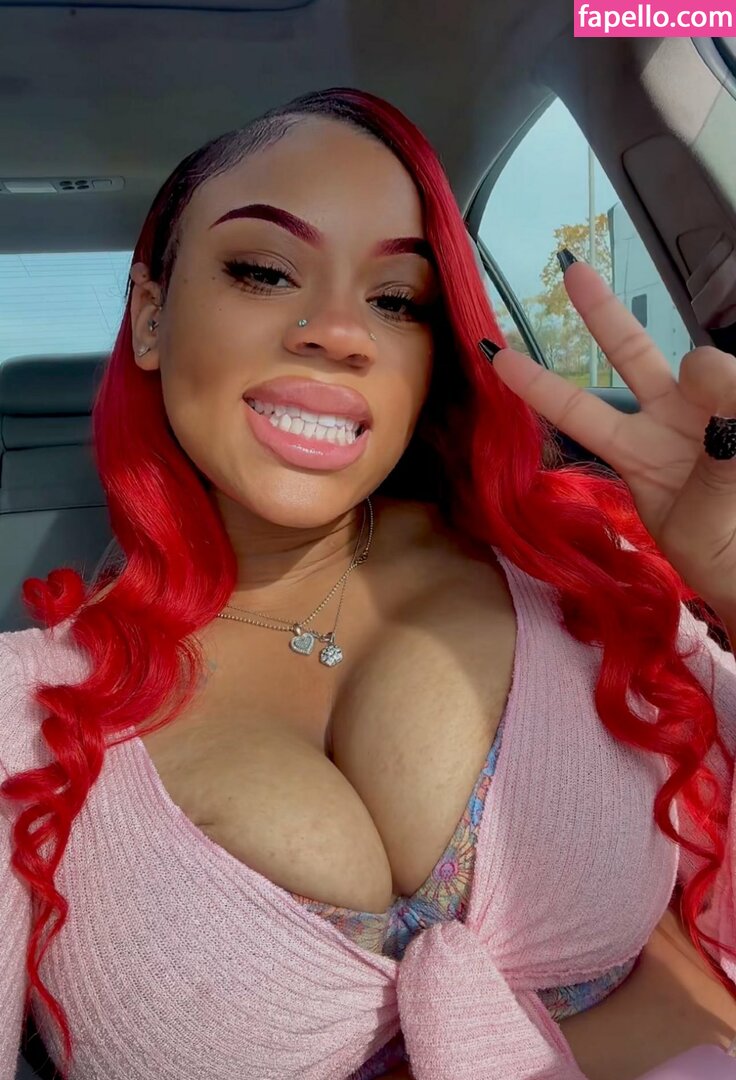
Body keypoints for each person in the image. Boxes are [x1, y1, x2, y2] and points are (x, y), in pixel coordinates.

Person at [2, 86, 736, 1080]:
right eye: (264, 271)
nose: (341, 333)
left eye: (396, 301)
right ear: (149, 318)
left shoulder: (569, 568)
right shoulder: (28, 717)